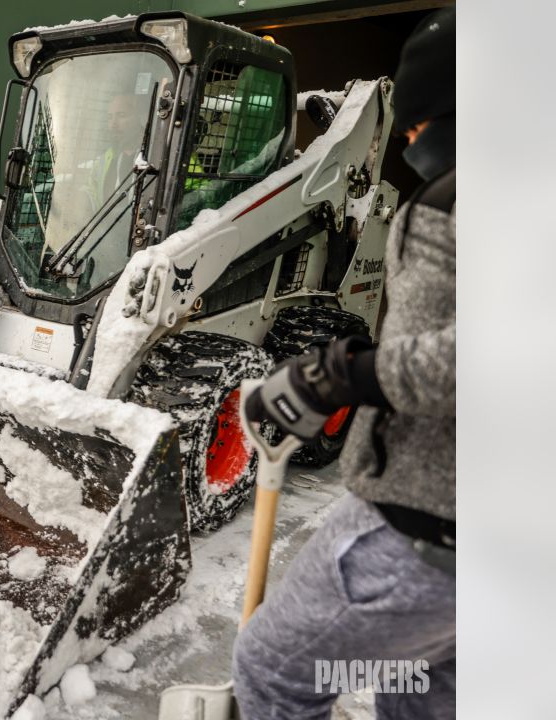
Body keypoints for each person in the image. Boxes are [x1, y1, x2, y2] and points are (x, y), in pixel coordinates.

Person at [232, 8, 456, 719]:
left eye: (418, 126)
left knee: (273, 672)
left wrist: (341, 374)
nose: (411, 141)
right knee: (420, 686)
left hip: (424, 525)